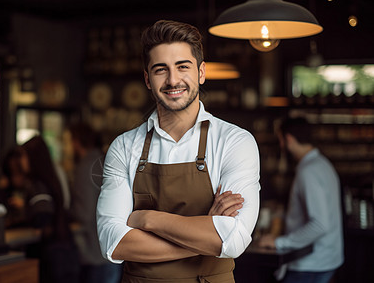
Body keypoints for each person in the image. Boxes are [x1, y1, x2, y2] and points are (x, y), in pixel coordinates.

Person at [96, 19, 260, 282]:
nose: (173, 80)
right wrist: (205, 238)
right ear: (148, 79)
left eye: (183, 66)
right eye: (161, 70)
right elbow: (113, 243)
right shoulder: (124, 147)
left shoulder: (234, 141)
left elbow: (234, 240)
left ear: (201, 72)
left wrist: (148, 219)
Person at [259, 117, 344, 283]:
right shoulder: (323, 164)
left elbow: (320, 224)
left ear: (289, 139)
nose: (281, 146)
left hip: (310, 264)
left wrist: (279, 242)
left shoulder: (308, 171)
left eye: (281, 140)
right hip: (326, 259)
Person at [2, 136, 80, 283]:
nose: (21, 161)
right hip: (65, 249)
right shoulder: (52, 176)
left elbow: (43, 213)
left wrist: (33, 221)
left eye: (23, 156)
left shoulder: (38, 183)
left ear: (33, 157)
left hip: (55, 255)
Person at [69, 122, 122, 283]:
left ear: (76, 142)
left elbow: (84, 213)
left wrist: (67, 214)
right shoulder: (106, 160)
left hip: (94, 248)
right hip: (114, 246)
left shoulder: (85, 166)